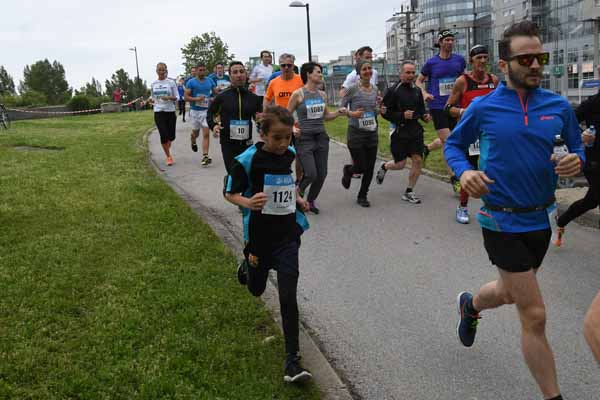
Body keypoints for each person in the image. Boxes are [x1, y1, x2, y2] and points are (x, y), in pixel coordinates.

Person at [445, 21, 584, 400]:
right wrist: (466, 171)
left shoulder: (557, 106)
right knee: (534, 314)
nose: (536, 65)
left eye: (540, 57)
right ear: (505, 65)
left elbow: (577, 147)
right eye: (526, 58)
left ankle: (470, 305)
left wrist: (578, 160)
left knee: (508, 293)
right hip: (499, 216)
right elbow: (453, 147)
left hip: (540, 217)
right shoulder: (483, 106)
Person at [225, 106, 312, 384]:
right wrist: (248, 203)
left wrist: (297, 199)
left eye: (287, 137)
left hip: (287, 236)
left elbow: (289, 183)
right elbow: (230, 193)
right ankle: (247, 268)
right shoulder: (247, 160)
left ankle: (292, 362)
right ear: (262, 134)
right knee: (256, 289)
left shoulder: (289, 154)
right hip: (260, 238)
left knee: (288, 297)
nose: (283, 144)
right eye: (277, 138)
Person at [445, 45, 499, 223]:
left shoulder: (494, 80)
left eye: (485, 57)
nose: (483, 61)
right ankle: (462, 206)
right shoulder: (463, 81)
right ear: (471, 60)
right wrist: (464, 112)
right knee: (469, 169)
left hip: (490, 133)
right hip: (470, 133)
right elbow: (448, 108)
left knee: (492, 169)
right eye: (479, 58)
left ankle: (494, 207)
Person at [287, 62, 346, 214]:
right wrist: (293, 129)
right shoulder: (298, 94)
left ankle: (311, 200)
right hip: (304, 138)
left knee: (322, 174)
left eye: (321, 72)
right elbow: (286, 117)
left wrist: (339, 112)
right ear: (308, 74)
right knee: (311, 173)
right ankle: (297, 194)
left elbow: (326, 116)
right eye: (318, 72)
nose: (321, 75)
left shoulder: (322, 95)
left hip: (321, 137)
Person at [416, 29, 466, 194]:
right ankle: (454, 179)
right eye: (447, 40)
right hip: (438, 106)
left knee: (452, 138)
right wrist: (424, 93)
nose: (450, 43)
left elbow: (464, 80)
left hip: (455, 106)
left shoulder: (459, 60)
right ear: (440, 42)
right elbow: (419, 80)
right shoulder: (431, 63)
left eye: (452, 40)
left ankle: (427, 149)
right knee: (449, 142)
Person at [376, 61, 431, 204]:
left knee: (418, 160)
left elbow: (421, 109)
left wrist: (425, 116)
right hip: (399, 131)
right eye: (408, 72)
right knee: (400, 164)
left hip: (415, 131)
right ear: (401, 74)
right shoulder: (393, 90)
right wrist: (401, 115)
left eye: (413, 72)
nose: (411, 75)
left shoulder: (417, 90)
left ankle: (409, 191)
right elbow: (385, 113)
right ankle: (385, 166)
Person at [207, 61, 262, 174]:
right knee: (233, 173)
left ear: (246, 75)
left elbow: (259, 118)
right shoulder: (222, 97)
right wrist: (214, 126)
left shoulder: (254, 98)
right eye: (235, 72)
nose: (239, 75)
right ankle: (228, 189)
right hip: (228, 143)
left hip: (247, 143)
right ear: (230, 76)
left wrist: (261, 124)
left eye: (241, 72)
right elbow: (210, 114)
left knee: (246, 173)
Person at [340, 59, 380, 207]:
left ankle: (362, 195)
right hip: (356, 132)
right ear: (358, 73)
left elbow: (374, 109)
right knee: (361, 166)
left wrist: (379, 110)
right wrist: (352, 113)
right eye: (364, 69)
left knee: (370, 167)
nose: (368, 71)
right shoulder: (352, 89)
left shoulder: (375, 89)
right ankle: (349, 170)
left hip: (372, 132)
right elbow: (341, 108)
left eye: (370, 68)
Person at [185, 63, 217, 166]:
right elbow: (186, 97)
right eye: (200, 70)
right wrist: (196, 99)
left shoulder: (210, 81)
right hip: (195, 111)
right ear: (196, 70)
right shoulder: (191, 82)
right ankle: (193, 140)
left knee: (206, 134)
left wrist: (214, 99)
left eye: (204, 70)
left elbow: (216, 93)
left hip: (206, 111)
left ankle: (205, 156)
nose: (202, 72)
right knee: (196, 133)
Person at [150, 63, 178, 166]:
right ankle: (168, 156)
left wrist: (169, 98)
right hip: (158, 112)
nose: (161, 72)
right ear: (156, 71)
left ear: (166, 70)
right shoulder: (153, 84)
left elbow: (177, 97)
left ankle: (168, 142)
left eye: (163, 70)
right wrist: (150, 100)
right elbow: (153, 98)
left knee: (171, 136)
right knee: (163, 135)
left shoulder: (171, 83)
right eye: (159, 70)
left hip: (170, 111)